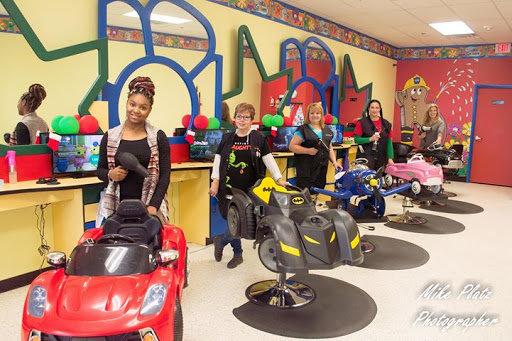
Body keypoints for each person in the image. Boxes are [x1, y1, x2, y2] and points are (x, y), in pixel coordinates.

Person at [209, 102, 287, 269]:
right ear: (234, 118)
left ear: (252, 120)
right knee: (234, 220)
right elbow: (218, 160)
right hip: (228, 187)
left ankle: (221, 241)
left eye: (246, 117)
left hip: (251, 189)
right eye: (239, 116)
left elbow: (268, 159)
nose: (242, 120)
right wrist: (215, 181)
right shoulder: (227, 138)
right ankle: (238, 254)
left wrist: (279, 178)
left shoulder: (259, 138)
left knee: (245, 221)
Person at [97, 76, 170, 223]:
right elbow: (100, 171)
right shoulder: (110, 136)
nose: (136, 110)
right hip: (116, 210)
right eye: (132, 104)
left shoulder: (158, 137)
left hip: (150, 208)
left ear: (149, 110)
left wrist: (153, 206)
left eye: (143, 107)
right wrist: (111, 174)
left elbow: (165, 176)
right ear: (127, 103)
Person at [288, 102, 342, 192]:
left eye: (317, 113)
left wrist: (334, 162)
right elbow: (292, 146)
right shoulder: (303, 129)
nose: (315, 115)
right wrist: (307, 150)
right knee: (305, 193)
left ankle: (315, 204)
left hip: (321, 169)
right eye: (312, 113)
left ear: (321, 115)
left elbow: (329, 147)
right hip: (306, 170)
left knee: (318, 190)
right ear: (308, 115)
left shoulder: (327, 130)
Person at [353, 99, 394, 170]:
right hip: (366, 157)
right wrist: (370, 139)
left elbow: (389, 142)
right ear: (368, 109)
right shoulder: (362, 122)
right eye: (372, 107)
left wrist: (390, 158)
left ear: (380, 109)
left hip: (381, 157)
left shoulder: (387, 124)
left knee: (378, 179)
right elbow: (356, 140)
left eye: (377, 108)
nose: (374, 110)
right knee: (366, 179)